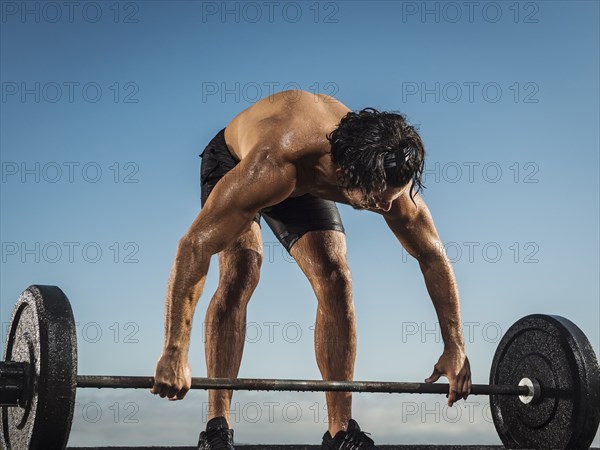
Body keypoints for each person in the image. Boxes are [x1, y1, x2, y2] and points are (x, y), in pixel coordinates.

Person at [150, 90, 471, 450]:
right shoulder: (274, 165)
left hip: (305, 177)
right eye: (378, 196)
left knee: (336, 277)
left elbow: (433, 257)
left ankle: (339, 431)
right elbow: (194, 245)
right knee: (241, 271)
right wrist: (175, 350)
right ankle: (217, 425)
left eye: (392, 196)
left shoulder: (389, 174)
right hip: (240, 159)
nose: (386, 206)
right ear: (347, 174)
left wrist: (454, 345)